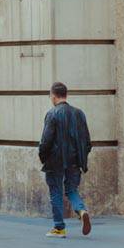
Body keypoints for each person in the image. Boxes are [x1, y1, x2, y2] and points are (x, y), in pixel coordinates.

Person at [38, 81, 92, 238]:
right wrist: (82, 157)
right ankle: (81, 210)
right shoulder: (79, 113)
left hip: (55, 160)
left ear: (53, 96)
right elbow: (87, 140)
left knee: (55, 191)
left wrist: (43, 157)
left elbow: (46, 140)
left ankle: (59, 227)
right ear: (65, 95)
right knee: (71, 190)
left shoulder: (52, 114)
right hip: (75, 159)